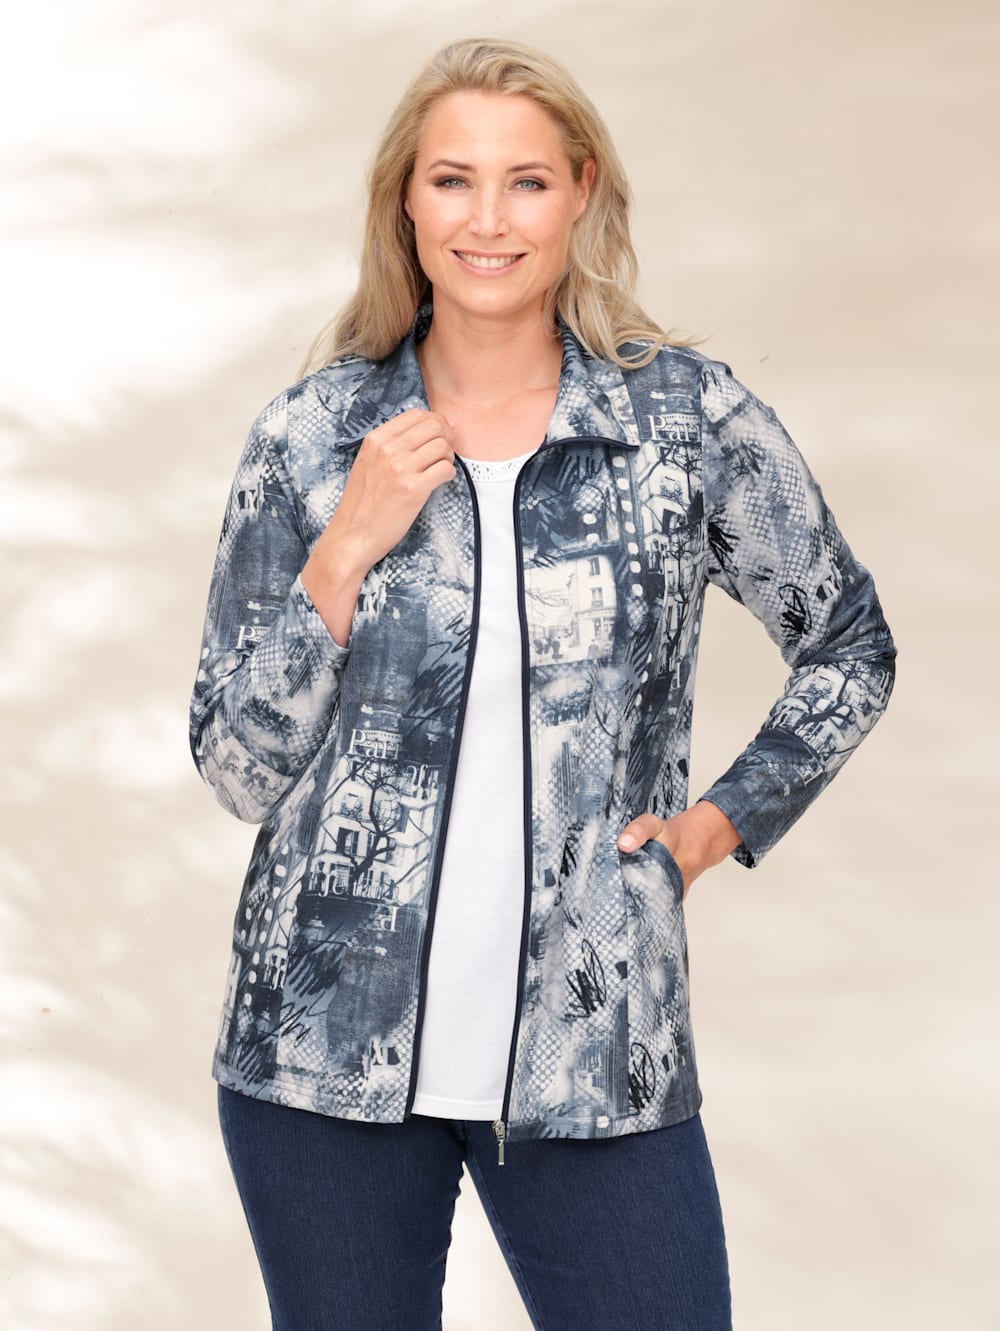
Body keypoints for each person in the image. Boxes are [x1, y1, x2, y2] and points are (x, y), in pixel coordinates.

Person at [188, 36, 896, 1331]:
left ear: (580, 193)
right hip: (318, 1062)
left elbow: (849, 643)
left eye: (524, 182)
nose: (488, 220)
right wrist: (344, 550)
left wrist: (715, 826)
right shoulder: (314, 435)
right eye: (452, 180)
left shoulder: (680, 423)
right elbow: (236, 769)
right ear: (406, 203)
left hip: (598, 1045)